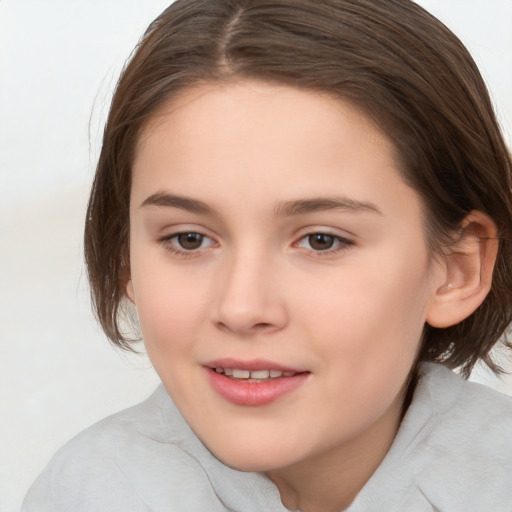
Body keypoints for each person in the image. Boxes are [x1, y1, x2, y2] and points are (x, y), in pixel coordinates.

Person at [23, 1, 512, 511]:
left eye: (322, 240)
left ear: (457, 268)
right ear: (127, 259)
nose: (241, 307)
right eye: (188, 239)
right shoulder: (85, 494)